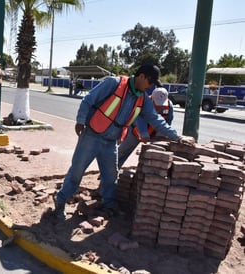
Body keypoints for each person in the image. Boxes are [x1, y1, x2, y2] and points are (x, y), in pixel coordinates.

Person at [54, 64, 195, 220]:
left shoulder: (142, 98)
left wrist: (178, 137)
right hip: (92, 135)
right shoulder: (113, 83)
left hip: (110, 141)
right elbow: (88, 100)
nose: (149, 87)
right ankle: (60, 203)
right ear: (141, 76)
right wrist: (80, 121)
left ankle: (109, 206)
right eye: (149, 82)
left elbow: (155, 119)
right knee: (77, 171)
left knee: (111, 175)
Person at [117, 86, 174, 168]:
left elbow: (168, 122)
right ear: (152, 98)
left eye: (162, 104)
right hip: (136, 131)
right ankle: (109, 171)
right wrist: (144, 134)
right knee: (123, 151)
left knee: (155, 154)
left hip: (154, 132)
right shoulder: (143, 102)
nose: (160, 107)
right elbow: (138, 119)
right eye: (157, 103)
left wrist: (162, 136)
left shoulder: (169, 106)